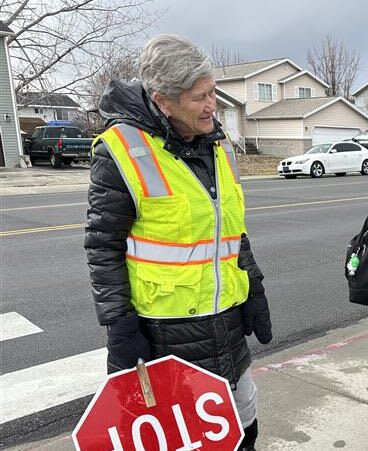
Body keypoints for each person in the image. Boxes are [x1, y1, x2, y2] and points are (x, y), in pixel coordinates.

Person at [84, 34, 271, 451]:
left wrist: (253, 286)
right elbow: (103, 246)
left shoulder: (217, 144)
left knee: (244, 432)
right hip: (168, 335)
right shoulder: (121, 152)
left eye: (213, 94)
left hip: (227, 324)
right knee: (190, 443)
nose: (212, 106)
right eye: (199, 97)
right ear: (163, 101)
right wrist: (119, 325)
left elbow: (232, 231)